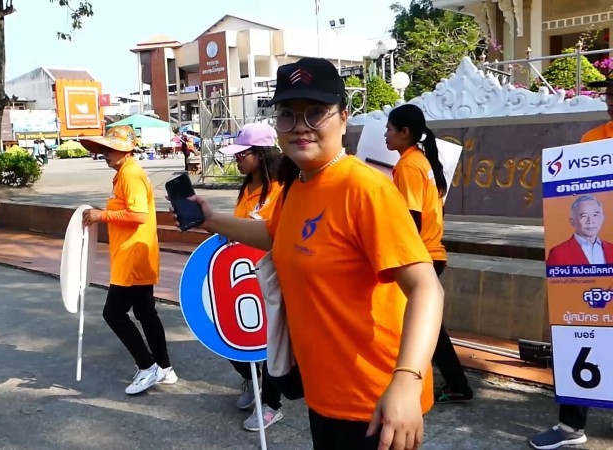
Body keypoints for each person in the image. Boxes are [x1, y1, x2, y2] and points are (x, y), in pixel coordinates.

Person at [176, 57, 444, 449]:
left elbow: (426, 289)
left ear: (343, 117)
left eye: (316, 112)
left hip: (376, 400)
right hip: (324, 393)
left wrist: (406, 379)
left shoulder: (365, 189)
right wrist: (211, 220)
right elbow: (276, 235)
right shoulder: (298, 186)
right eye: (287, 114)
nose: (300, 125)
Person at [529, 74, 613, 450]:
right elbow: (582, 195)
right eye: (609, 94)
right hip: (588, 270)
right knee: (580, 332)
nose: (611, 100)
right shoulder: (592, 140)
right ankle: (569, 427)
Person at [384, 103, 474, 405]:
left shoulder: (410, 165)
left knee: (424, 323)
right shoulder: (422, 161)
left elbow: (411, 218)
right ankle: (455, 383)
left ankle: (448, 383)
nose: (385, 135)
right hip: (430, 251)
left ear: (405, 133)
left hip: (419, 253)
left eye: (389, 129)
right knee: (426, 321)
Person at [79, 125, 177, 395]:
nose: (104, 154)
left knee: (113, 313)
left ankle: (147, 366)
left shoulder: (131, 174)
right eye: (104, 149)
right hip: (135, 254)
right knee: (146, 312)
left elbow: (139, 215)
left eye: (109, 149)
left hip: (133, 257)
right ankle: (165, 368)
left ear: (124, 150)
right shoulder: (125, 173)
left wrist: (103, 216)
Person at [218, 123, 285, 431]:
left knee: (269, 343)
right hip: (241, 279)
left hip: (274, 277)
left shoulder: (284, 187)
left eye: (242, 154)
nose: (237, 160)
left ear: (261, 154)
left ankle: (271, 404)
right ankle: (250, 380)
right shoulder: (246, 187)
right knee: (232, 337)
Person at [546, 194, 613, 266]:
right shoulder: (558, 253)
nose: (590, 221)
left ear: (602, 218)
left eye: (595, 215)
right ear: (572, 221)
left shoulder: (611, 249)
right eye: (584, 216)